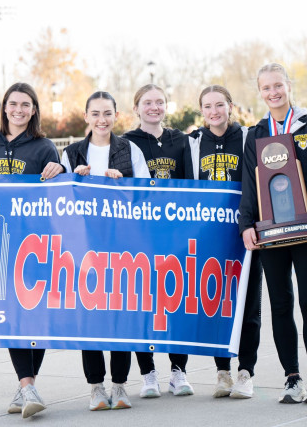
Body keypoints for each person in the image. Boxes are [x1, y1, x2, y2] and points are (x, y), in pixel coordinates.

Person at [239, 63, 307, 404]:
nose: (273, 92)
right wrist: (246, 224)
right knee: (280, 305)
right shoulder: (255, 133)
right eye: (266, 88)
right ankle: (292, 377)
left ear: (288, 85)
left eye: (278, 85)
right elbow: (249, 184)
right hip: (271, 235)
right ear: (260, 91)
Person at [0, 82, 62, 419]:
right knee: (12, 316)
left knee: (37, 316)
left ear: (34, 109)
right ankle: (27, 385)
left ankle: (26, 386)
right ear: (4, 107)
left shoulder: (44, 147)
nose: (19, 110)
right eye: (13, 104)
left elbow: (59, 195)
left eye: (26, 104)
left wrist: (60, 169)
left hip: (36, 244)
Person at [62, 91, 150, 411]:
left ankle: (120, 385)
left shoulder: (130, 150)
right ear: (86, 116)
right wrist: (75, 181)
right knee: (90, 317)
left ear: (116, 116)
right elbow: (60, 202)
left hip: (121, 247)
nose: (102, 119)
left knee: (120, 315)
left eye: (108, 113)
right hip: (85, 249)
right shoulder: (71, 154)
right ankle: (96, 387)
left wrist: (123, 183)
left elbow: (146, 197)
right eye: (95, 113)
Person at [184, 85, 261, 400]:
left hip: (246, 233)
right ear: (201, 111)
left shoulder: (248, 138)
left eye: (219, 105)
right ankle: (223, 372)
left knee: (249, 306)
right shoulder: (192, 143)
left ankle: (246, 372)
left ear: (231, 106)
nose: (214, 111)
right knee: (218, 304)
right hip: (210, 235)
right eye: (207, 106)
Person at [121, 85, 192, 398]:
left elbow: (193, 186)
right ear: (137, 108)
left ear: (167, 106)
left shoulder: (182, 141)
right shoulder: (124, 142)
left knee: (176, 301)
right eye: (147, 102)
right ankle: (148, 373)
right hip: (140, 235)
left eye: (159, 102)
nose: (154, 107)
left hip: (174, 232)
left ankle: (179, 371)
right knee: (142, 304)